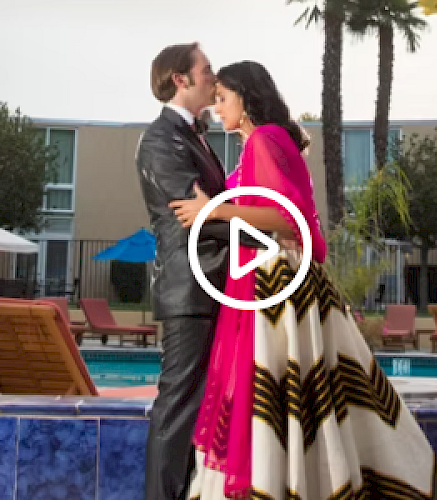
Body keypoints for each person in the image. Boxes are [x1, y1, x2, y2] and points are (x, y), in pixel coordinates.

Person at [169, 61, 437, 500]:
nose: (218, 104)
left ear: (246, 99)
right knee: (306, 394)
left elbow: (287, 217)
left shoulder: (265, 139)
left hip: (277, 284)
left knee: (283, 391)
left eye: (224, 97)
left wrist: (215, 210)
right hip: (281, 280)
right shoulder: (265, 142)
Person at [136, 44, 261, 500]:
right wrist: (269, 237)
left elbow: (216, 209)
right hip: (191, 288)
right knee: (179, 404)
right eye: (206, 70)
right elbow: (201, 213)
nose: (215, 77)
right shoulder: (161, 140)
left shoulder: (195, 137)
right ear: (180, 79)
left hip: (211, 286)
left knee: (202, 404)